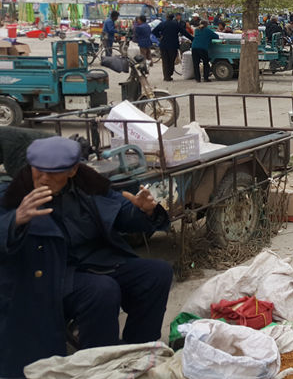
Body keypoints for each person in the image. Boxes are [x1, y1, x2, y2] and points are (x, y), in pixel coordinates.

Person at [0, 137, 173, 378]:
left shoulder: (87, 185)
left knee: (157, 273)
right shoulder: (12, 196)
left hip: (97, 262)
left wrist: (145, 210)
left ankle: (138, 352)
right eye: (38, 171)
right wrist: (15, 220)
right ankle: (98, 368)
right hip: (51, 275)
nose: (43, 178)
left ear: (72, 171)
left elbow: (119, 210)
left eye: (53, 173)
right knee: (102, 290)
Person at [152, 13, 194, 81]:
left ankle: (166, 76)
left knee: (165, 61)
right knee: (171, 60)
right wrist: (193, 39)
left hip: (164, 44)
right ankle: (169, 74)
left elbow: (154, 31)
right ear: (173, 17)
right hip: (173, 45)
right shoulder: (176, 24)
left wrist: (159, 36)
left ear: (166, 17)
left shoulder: (162, 24)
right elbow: (184, 32)